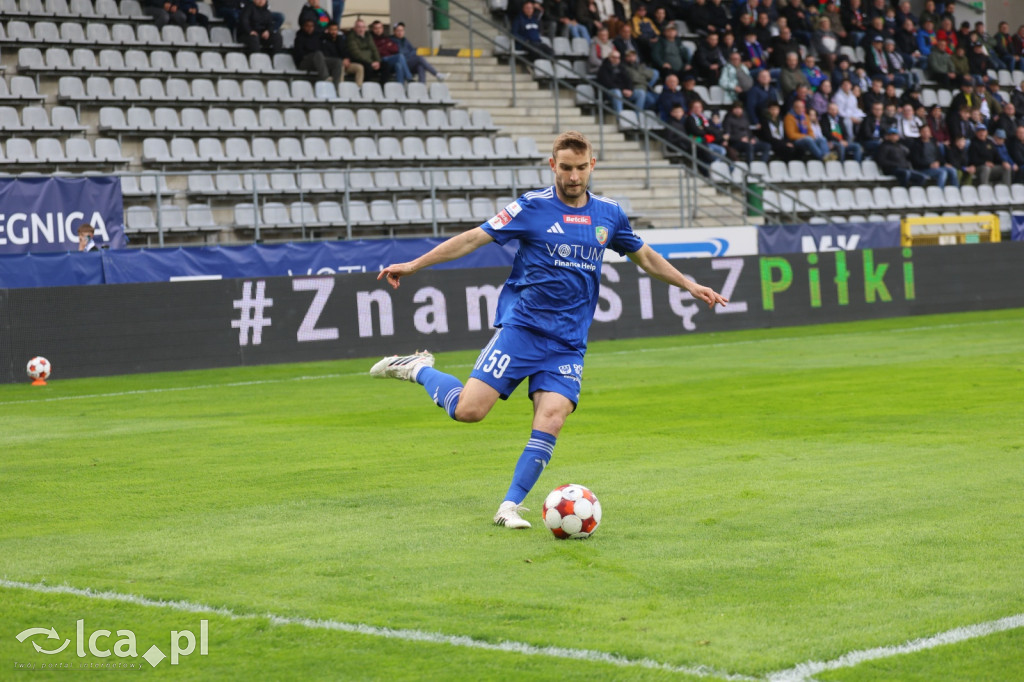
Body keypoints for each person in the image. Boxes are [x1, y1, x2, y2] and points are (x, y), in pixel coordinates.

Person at [370, 131, 728, 529]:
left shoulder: (609, 214)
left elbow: (644, 256)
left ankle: (509, 506)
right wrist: (413, 265)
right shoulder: (531, 208)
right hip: (522, 330)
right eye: (565, 168)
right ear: (552, 166)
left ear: (592, 166)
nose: (573, 176)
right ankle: (419, 367)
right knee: (468, 411)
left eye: (580, 168)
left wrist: (690, 284)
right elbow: (473, 239)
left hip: (568, 343)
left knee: (553, 416)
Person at [293, 18, 342, 84]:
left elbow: (329, 36)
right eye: (307, 26)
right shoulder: (299, 38)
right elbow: (299, 54)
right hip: (304, 62)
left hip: (318, 61)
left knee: (337, 62)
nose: (310, 28)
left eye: (312, 26)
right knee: (318, 54)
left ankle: (336, 87)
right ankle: (326, 79)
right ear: (303, 27)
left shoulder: (317, 36)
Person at [347, 18, 392, 84]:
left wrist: (377, 61)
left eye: (363, 27)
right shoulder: (351, 37)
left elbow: (374, 49)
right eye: (359, 27)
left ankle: (382, 87)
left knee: (386, 65)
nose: (361, 29)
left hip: (371, 61)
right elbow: (356, 53)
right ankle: (366, 87)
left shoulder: (368, 36)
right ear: (355, 28)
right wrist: (371, 62)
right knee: (367, 67)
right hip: (359, 60)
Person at [369, 20, 413, 85]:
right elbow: (378, 51)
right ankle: (409, 77)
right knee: (400, 56)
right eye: (376, 28)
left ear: (382, 28)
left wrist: (385, 47)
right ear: (373, 29)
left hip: (390, 59)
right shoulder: (371, 39)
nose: (378, 30)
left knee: (399, 65)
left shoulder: (386, 37)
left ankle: (400, 88)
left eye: (380, 28)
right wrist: (387, 46)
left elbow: (395, 49)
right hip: (381, 60)